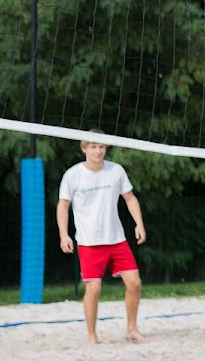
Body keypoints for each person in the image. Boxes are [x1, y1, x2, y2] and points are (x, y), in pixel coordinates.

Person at [57, 131, 147, 344]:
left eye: (102, 147)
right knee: (94, 288)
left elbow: (130, 198)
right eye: (94, 146)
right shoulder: (73, 175)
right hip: (89, 242)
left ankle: (131, 329)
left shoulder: (116, 171)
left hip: (116, 239)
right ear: (84, 148)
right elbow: (63, 205)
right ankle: (92, 336)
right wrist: (64, 235)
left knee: (134, 283)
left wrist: (139, 224)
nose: (98, 150)